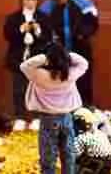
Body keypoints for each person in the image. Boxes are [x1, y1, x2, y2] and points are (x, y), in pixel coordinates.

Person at [21, 43, 90, 174]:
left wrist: (45, 57)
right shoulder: (69, 75)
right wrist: (66, 56)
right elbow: (83, 63)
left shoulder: (39, 75)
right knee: (68, 154)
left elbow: (24, 66)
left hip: (48, 119)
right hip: (67, 117)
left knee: (48, 157)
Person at [39, 0, 100, 106]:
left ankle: (84, 109)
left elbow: (93, 23)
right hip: (57, 52)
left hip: (80, 50)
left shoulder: (82, 3)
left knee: (82, 81)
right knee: (58, 82)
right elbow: (42, 25)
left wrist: (82, 34)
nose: (57, 1)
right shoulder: (48, 6)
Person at [5, 0, 45, 131]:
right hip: (19, 59)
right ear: (23, 0)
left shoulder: (43, 17)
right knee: (19, 88)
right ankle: (20, 117)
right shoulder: (14, 18)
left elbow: (47, 38)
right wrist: (21, 29)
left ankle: (36, 117)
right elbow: (8, 35)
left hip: (35, 60)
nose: (30, 2)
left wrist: (37, 30)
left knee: (37, 88)